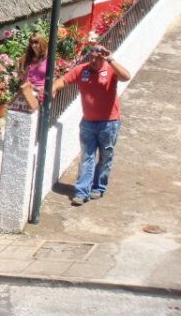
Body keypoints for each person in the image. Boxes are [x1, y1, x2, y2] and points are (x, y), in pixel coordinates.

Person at [52, 44, 130, 206]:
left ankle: (99, 187)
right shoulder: (82, 70)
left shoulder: (110, 69)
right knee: (87, 157)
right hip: (88, 123)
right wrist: (53, 88)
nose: (93, 61)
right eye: (91, 57)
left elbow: (126, 76)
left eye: (97, 58)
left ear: (103, 57)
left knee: (105, 157)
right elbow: (64, 80)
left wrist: (111, 60)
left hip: (109, 123)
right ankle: (81, 192)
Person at [19, 33, 48, 102]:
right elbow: (20, 64)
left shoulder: (48, 59)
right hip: (28, 90)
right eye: (32, 43)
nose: (33, 45)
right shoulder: (29, 58)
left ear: (42, 43)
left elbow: (53, 77)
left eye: (36, 42)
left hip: (41, 92)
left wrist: (43, 89)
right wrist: (20, 72)